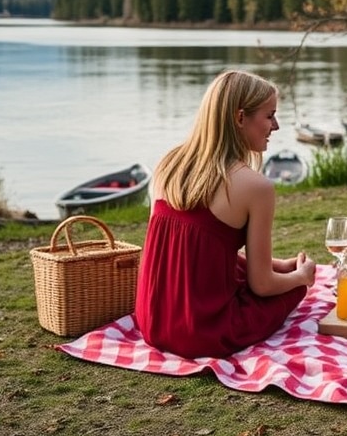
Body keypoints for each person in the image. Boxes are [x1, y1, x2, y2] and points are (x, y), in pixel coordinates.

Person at [135, 70, 316, 358]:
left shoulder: (168, 163)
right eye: (270, 116)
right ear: (240, 118)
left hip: (152, 322)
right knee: (290, 291)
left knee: (255, 272)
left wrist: (279, 264)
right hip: (202, 334)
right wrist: (301, 278)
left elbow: (192, 251)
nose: (276, 126)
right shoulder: (256, 187)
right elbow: (263, 285)